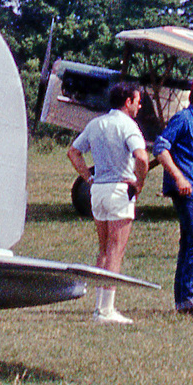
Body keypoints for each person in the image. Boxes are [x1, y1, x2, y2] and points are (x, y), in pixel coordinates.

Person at [68, 81, 149, 324]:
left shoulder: (96, 124)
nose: (139, 105)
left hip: (98, 190)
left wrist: (88, 178)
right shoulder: (129, 126)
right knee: (116, 250)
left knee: (103, 249)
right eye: (137, 100)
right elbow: (142, 157)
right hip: (118, 190)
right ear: (128, 102)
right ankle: (107, 310)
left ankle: (99, 307)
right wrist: (139, 182)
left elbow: (73, 152)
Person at [152, 75, 193, 313]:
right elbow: (160, 147)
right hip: (187, 188)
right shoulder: (184, 119)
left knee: (192, 240)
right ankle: (191, 296)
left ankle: (184, 300)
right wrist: (179, 176)